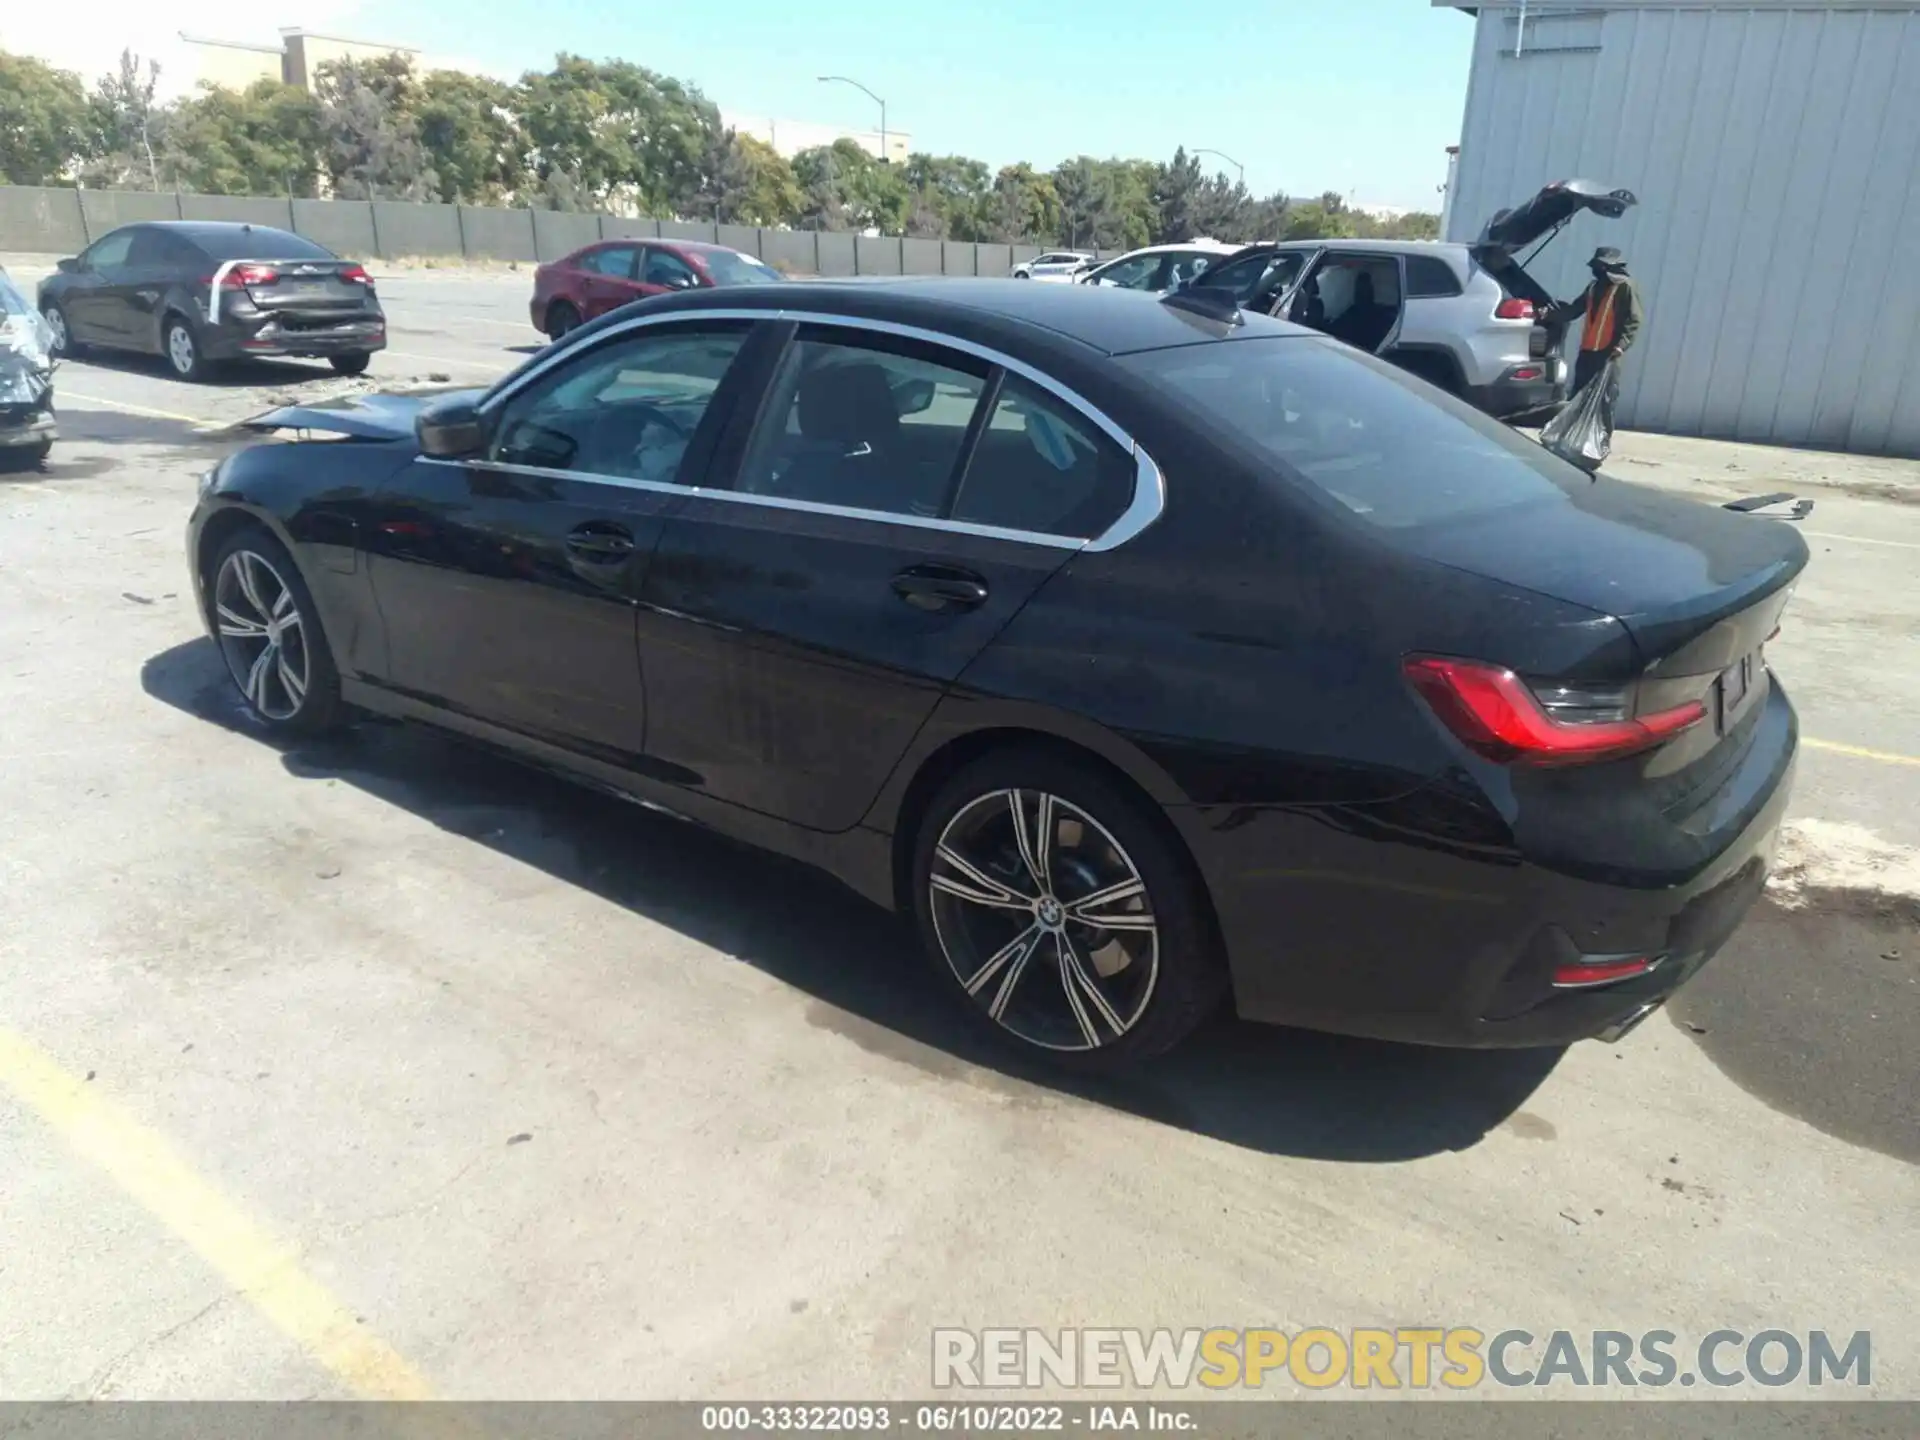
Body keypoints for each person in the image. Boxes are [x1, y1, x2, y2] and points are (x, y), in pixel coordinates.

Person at [1546, 246, 1644, 396]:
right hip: (1588, 351)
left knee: (1604, 395)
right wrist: (1550, 313)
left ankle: (1599, 421)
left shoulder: (1625, 287)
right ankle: (1578, 420)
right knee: (1579, 392)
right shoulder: (1593, 287)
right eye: (1596, 266)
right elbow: (1575, 309)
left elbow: (1634, 318)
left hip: (1609, 352)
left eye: (1602, 266)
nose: (1598, 270)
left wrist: (1621, 345)